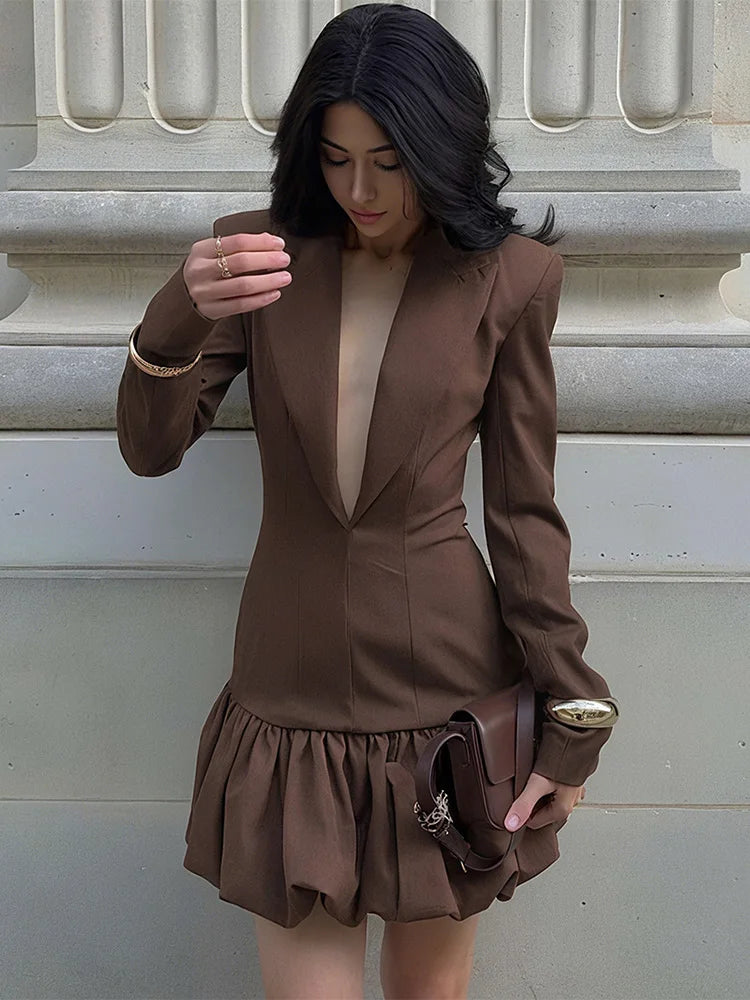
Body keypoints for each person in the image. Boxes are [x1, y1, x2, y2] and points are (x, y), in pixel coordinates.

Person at [116, 4, 618, 998]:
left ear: (442, 144)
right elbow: (150, 447)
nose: (359, 190)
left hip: (446, 704)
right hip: (287, 695)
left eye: (388, 161)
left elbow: (525, 515)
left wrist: (574, 711)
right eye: (337, 157)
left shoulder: (510, 278)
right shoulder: (256, 254)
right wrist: (176, 309)